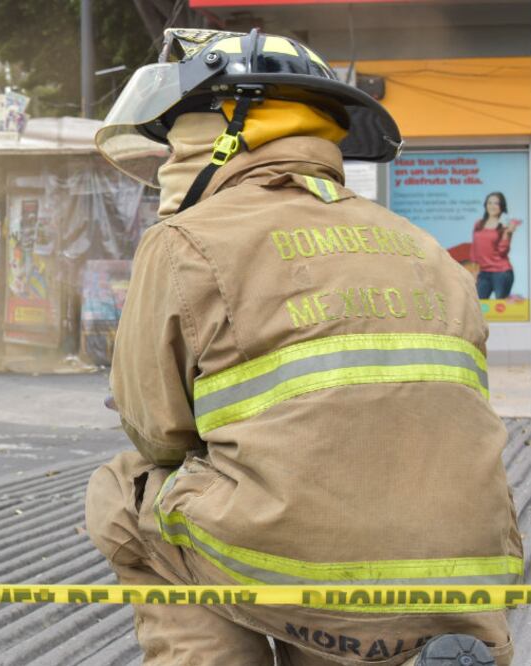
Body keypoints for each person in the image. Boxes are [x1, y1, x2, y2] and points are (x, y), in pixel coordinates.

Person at [86, 28, 518, 666]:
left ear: (223, 131)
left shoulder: (186, 242)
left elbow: (160, 433)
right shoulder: (422, 245)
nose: (169, 159)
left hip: (293, 567)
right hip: (471, 575)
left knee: (125, 491)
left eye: (177, 134)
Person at [471, 191, 522, 300]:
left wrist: (507, 233)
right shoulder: (478, 224)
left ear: (501, 206)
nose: (492, 206)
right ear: (485, 205)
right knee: (478, 307)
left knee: (501, 309)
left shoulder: (505, 225)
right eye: (489, 203)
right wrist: (474, 271)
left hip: (501, 273)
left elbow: (503, 251)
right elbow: (474, 249)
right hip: (483, 273)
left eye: (496, 203)